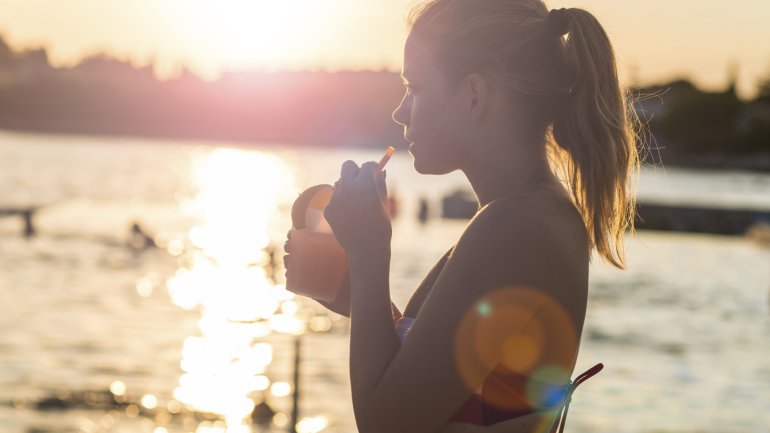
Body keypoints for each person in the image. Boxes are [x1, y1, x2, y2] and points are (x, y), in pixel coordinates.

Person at [284, 0, 639, 431]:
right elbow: (429, 384)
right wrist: (362, 298)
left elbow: (387, 425)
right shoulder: (519, 217)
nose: (400, 111)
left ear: (473, 94)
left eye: (413, 87)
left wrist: (368, 255)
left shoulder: (514, 229)